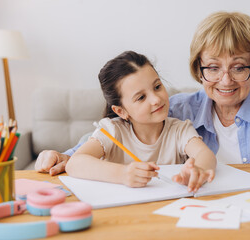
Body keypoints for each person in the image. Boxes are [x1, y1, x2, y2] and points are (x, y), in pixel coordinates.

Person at [36, 11, 250, 180]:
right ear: (198, 68)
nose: (225, 80)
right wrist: (64, 157)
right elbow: (104, 141)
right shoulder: (177, 109)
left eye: (239, 67)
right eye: (213, 68)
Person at [65, 51, 216, 192]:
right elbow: (74, 163)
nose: (156, 99)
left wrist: (198, 169)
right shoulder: (113, 130)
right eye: (141, 98)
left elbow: (205, 154)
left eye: (157, 87)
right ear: (121, 111)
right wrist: (123, 174)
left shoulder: (179, 130)